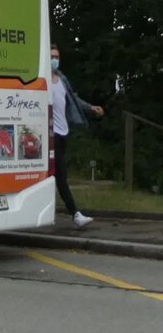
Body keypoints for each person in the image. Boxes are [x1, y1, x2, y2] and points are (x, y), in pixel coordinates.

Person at [49, 44, 104, 228]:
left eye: (57, 56)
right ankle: (75, 214)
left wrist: (90, 108)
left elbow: (73, 99)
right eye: (51, 56)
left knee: (54, 175)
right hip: (51, 134)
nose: (54, 60)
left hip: (64, 133)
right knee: (60, 175)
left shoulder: (62, 79)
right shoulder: (42, 80)